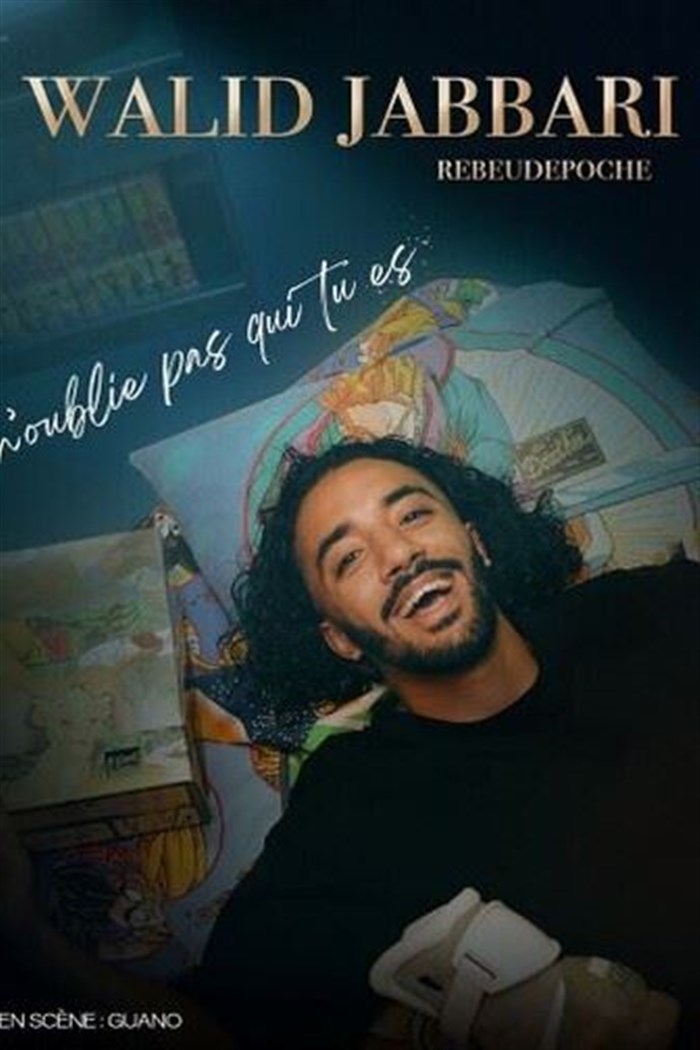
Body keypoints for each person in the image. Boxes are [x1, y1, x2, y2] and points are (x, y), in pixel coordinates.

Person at [1, 437, 698, 1049]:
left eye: (413, 515)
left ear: (476, 542)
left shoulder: (641, 609)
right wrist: (28, 936)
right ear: (338, 638)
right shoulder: (354, 806)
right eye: (350, 557)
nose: (398, 555)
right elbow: (221, 1029)